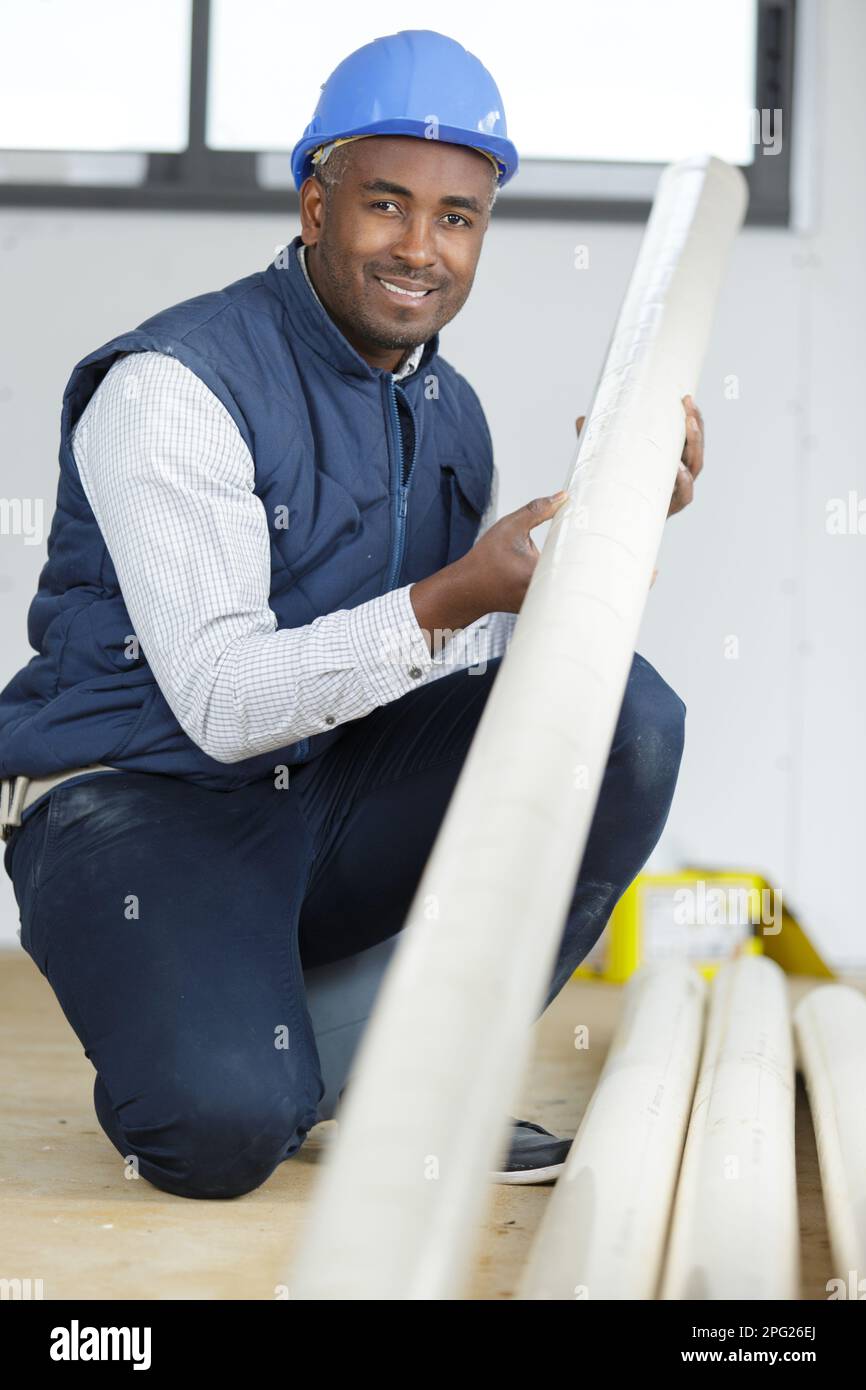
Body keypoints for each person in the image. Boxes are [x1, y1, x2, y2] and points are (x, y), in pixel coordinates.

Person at [0, 30, 703, 1198]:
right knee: (216, 1132)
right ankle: (204, 1046)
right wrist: (453, 589)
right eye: (385, 204)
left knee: (616, 716)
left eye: (456, 217)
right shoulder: (174, 387)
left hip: (318, 795)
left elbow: (454, 661)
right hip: (138, 806)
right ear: (314, 202)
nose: (419, 250)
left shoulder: (446, 411)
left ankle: (411, 1077)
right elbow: (225, 704)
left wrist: (610, 535)